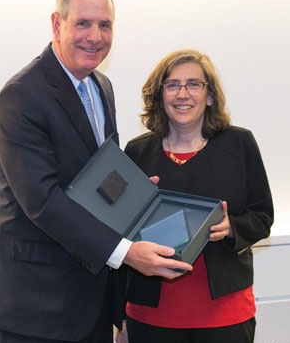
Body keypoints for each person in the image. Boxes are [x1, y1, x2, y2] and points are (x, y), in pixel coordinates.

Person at [0, 0, 192, 343]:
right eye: (83, 23)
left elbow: (96, 176)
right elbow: (43, 202)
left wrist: (132, 193)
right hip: (34, 306)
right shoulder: (21, 96)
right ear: (57, 24)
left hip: (89, 298)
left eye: (105, 25)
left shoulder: (100, 87)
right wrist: (125, 253)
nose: (95, 36)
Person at [117, 49, 274, 343]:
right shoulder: (137, 152)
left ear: (210, 95)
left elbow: (263, 216)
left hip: (224, 314)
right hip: (151, 315)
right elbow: (119, 234)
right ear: (159, 95)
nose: (183, 94)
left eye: (194, 84)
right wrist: (120, 316)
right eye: (172, 84)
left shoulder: (240, 144)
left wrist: (232, 228)